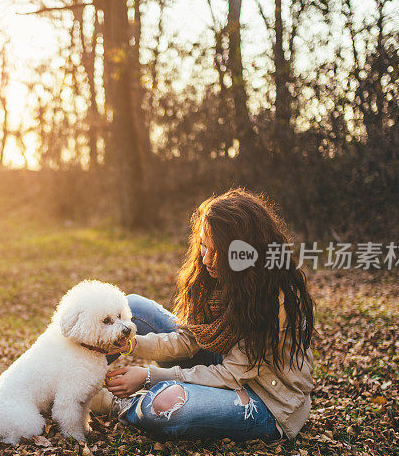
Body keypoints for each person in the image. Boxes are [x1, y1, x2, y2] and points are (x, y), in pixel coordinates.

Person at [97, 188, 315, 442]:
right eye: (203, 246)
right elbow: (189, 340)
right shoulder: (215, 277)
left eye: (217, 251)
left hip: (265, 400)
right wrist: (132, 344)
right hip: (223, 363)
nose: (207, 259)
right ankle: (72, 378)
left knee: (166, 403)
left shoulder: (274, 298)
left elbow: (233, 374)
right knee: (133, 308)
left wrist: (148, 376)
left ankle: (117, 403)